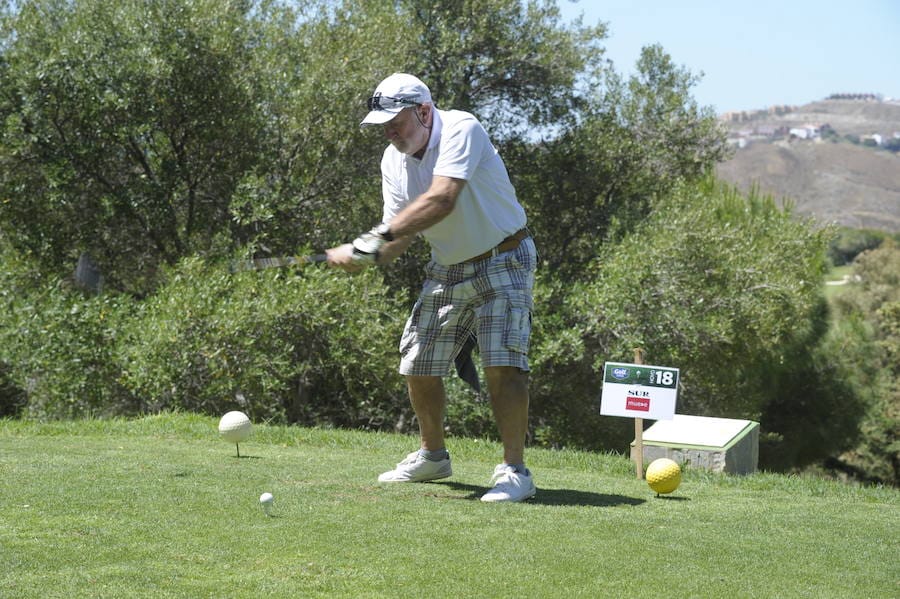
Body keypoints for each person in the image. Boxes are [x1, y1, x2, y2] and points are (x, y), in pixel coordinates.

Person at [326, 73, 537, 503]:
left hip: (504, 256)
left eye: (396, 121)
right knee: (417, 362)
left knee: (504, 363)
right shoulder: (392, 159)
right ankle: (433, 456)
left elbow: (442, 199)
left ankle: (515, 470)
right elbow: (399, 236)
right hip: (447, 268)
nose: (389, 131)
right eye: (382, 124)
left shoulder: (462, 127)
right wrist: (364, 257)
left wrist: (374, 239)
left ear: (424, 111)